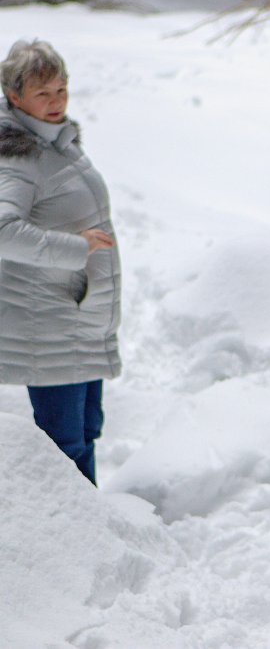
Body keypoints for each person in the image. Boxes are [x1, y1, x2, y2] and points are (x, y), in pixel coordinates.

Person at [0, 39, 121, 485]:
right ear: (15, 97)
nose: (56, 103)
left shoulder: (55, 141)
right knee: (63, 447)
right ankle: (74, 545)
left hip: (73, 315)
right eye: (43, 94)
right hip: (46, 323)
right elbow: (3, 232)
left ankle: (94, 532)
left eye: (61, 90)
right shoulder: (19, 157)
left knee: (85, 433)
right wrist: (76, 247)